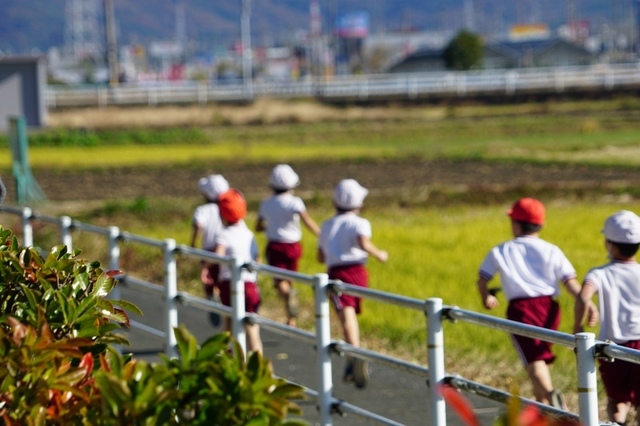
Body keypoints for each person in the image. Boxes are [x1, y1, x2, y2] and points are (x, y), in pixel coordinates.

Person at [476, 197, 597, 408]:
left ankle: (552, 399)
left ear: (515, 223)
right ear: (541, 224)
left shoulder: (502, 250)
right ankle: (542, 406)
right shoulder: (551, 249)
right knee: (538, 357)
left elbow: (482, 280)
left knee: (533, 360)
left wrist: (487, 297)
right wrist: (588, 302)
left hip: (521, 310)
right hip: (550, 308)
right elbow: (570, 283)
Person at [317, 179, 388, 389]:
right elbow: (363, 243)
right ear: (359, 204)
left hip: (337, 272)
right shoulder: (360, 223)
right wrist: (380, 254)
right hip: (358, 272)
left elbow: (320, 256)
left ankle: (354, 353)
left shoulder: (327, 225)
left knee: (345, 314)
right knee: (351, 312)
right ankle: (353, 353)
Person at [574, 210, 640, 426]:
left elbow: (583, 297)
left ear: (610, 244)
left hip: (613, 348)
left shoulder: (599, 273)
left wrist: (578, 325)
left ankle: (618, 424)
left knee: (616, 399)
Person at [255, 164, 320, 327]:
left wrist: (269, 227)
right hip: (294, 246)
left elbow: (258, 226)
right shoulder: (295, 202)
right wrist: (321, 234)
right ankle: (291, 319)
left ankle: (289, 298)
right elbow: (307, 221)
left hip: (275, 246)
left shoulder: (266, 204)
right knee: (289, 279)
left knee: (279, 282)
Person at [215, 189, 263, 354]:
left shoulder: (225, 234)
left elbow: (218, 257)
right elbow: (258, 259)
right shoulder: (248, 234)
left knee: (228, 327)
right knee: (252, 330)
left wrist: (208, 268)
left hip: (229, 286)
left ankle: (224, 362)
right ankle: (262, 372)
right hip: (250, 285)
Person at [190, 174, 229, 326]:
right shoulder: (226, 208)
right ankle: (221, 298)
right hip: (225, 250)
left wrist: (193, 243)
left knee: (208, 279)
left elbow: (198, 226)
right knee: (223, 278)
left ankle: (212, 296)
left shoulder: (202, 210)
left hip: (207, 251)